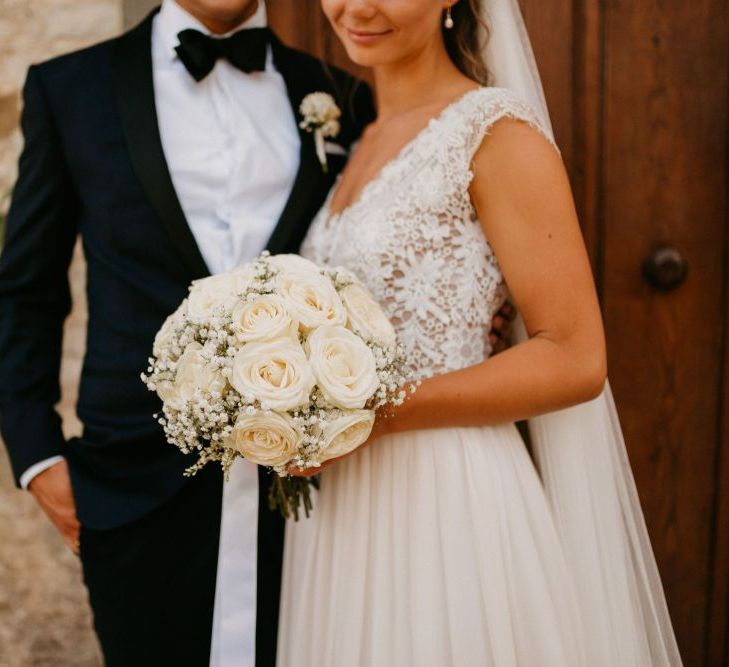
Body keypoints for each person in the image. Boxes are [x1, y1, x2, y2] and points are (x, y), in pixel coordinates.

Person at [278, 1, 683, 665]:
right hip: (344, 510)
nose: (355, 6)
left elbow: (575, 357)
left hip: (445, 500)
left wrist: (375, 413)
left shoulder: (496, 133)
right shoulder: (361, 135)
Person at [0, 1, 374, 664]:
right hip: (131, 488)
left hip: (306, 493)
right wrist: (37, 457)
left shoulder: (338, 93)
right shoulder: (71, 88)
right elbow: (26, 289)